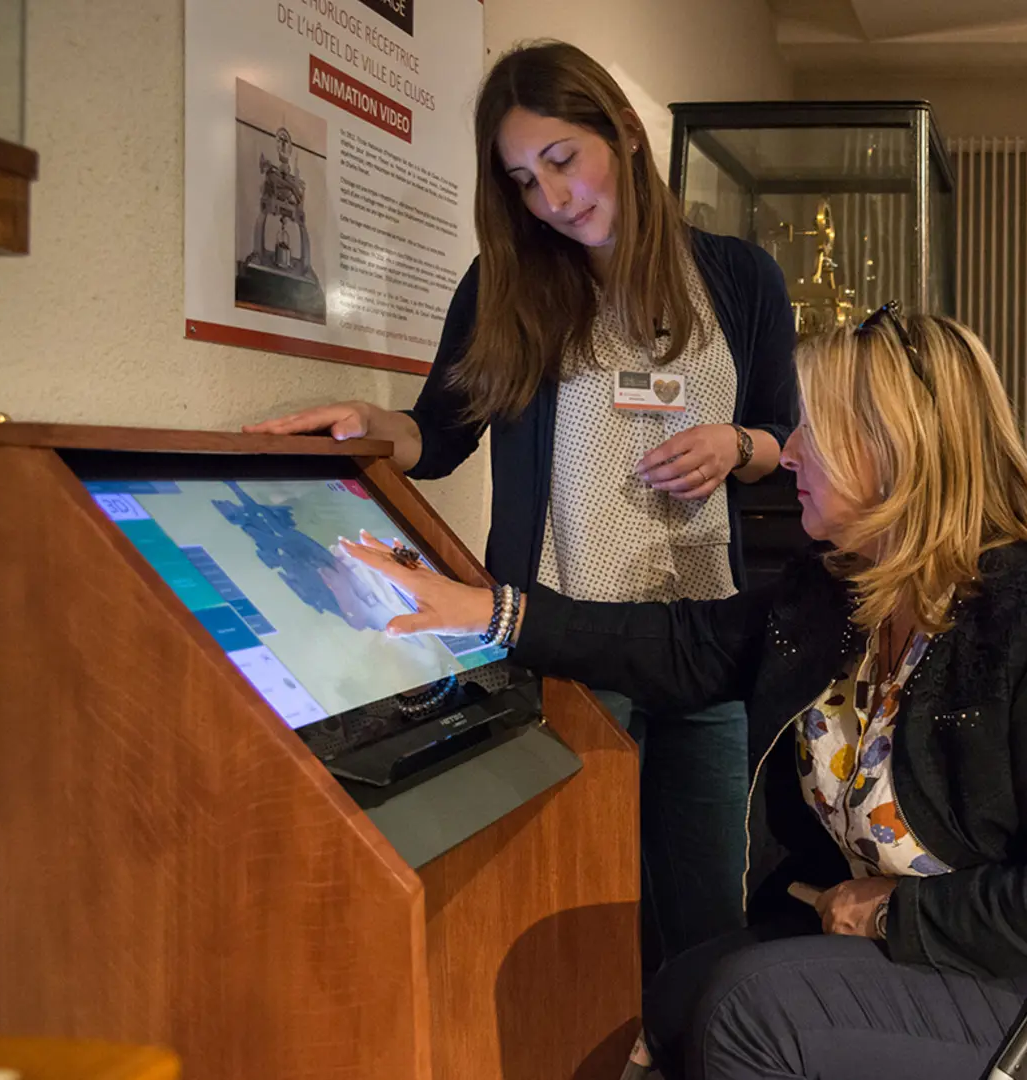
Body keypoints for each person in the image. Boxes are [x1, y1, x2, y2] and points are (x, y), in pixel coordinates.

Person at [338, 308, 1027, 1080]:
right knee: (677, 993)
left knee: (748, 1008)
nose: (794, 451)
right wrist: (492, 612)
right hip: (925, 955)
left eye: (817, 429)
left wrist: (897, 915)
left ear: (895, 447)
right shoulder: (841, 590)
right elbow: (680, 642)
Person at [247, 41, 798, 971]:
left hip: (703, 640)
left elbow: (781, 436)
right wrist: (372, 423)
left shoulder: (742, 278)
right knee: (581, 913)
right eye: (522, 180)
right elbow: (440, 434)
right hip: (569, 644)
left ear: (622, 132)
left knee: (706, 924)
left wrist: (736, 444)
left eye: (560, 161)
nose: (550, 199)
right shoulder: (511, 283)